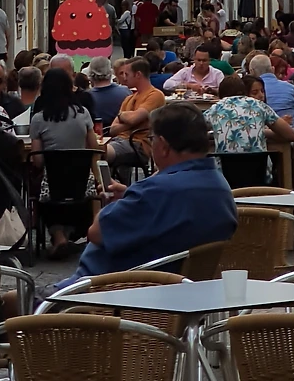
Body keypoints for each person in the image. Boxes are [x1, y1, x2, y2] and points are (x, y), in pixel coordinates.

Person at [73, 105, 237, 279]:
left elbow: (96, 233)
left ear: (164, 146)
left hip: (110, 286)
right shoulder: (220, 186)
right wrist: (131, 196)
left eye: (152, 139)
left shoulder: (156, 191)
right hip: (182, 284)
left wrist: (116, 203)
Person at [29, 68, 101, 256]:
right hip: (82, 181)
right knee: (76, 193)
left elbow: (38, 160)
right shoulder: (83, 113)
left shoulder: (38, 119)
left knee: (37, 185)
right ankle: (69, 233)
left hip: (52, 183)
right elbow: (94, 147)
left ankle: (58, 234)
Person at [207, 72, 294, 158]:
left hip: (224, 167)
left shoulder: (215, 109)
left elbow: (198, 131)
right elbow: (291, 135)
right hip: (259, 167)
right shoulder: (259, 105)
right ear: (245, 91)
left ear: (220, 95)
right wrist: (262, 131)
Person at [105, 57, 167, 173]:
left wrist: (123, 117)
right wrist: (130, 120)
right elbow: (112, 130)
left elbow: (133, 119)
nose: (124, 78)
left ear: (138, 74)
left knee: (99, 153)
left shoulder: (155, 95)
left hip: (139, 145)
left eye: (127, 74)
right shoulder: (128, 98)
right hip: (120, 142)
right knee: (96, 152)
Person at [248, 53, 294, 123]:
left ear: (251, 72)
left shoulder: (249, 92)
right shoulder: (291, 88)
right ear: (273, 69)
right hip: (291, 127)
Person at [86, 56, 130, 128]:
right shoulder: (126, 92)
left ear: (90, 73)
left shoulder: (85, 97)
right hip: (121, 132)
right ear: (110, 71)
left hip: (95, 133)